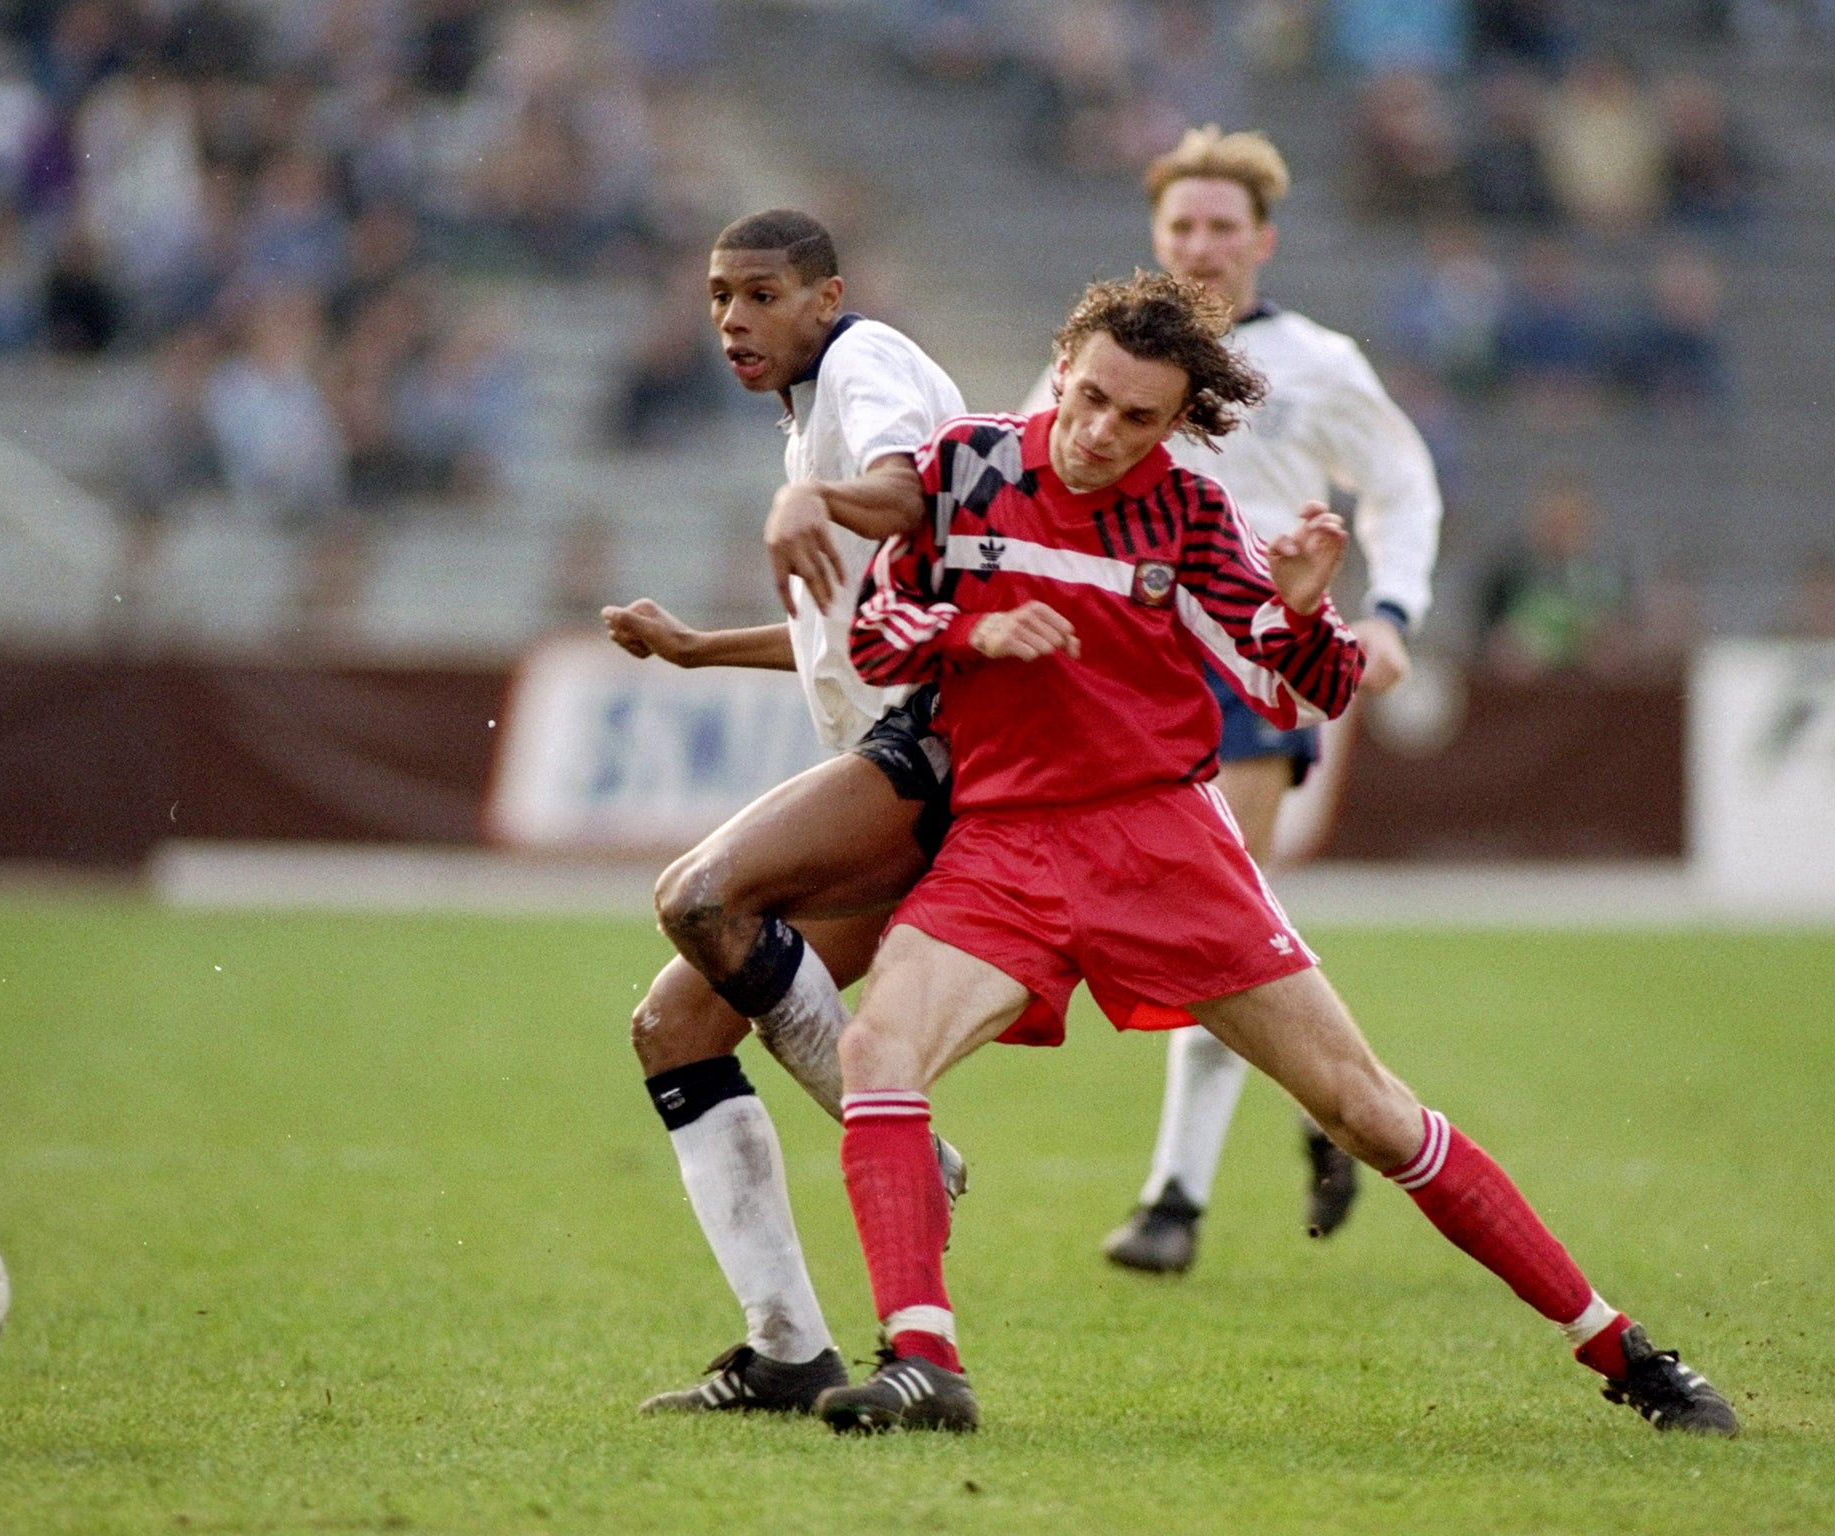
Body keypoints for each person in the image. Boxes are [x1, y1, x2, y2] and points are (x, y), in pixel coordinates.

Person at [813, 270, 1737, 1439]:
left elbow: (1322, 684)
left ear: (1179, 421)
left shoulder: (1189, 515)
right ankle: (921, 1362)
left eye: (1137, 417)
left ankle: (1624, 1351)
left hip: (1159, 843)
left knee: (1366, 1113)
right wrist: (971, 629)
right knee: (878, 1046)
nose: (1101, 432)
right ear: (1062, 365)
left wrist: (1306, 608)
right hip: (1005, 843)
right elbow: (875, 634)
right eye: (1090, 397)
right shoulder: (967, 465)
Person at [1021, 126, 1444, 1274]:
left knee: (1218, 906)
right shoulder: (1109, 359)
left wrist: (1391, 615)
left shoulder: (1315, 360)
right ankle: (1327, 1099)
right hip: (1121, 656)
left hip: (1248, 656)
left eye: (1220, 227)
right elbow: (1020, 472)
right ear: (1155, 238)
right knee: (1197, 915)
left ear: (1260, 239)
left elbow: (1401, 481)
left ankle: (1172, 1202)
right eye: (1180, 228)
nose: (1201, 245)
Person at [597, 209, 968, 1414]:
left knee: (700, 897)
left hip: (944, 735)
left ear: (825, 296)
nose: (732, 320)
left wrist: (807, 506)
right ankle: (788, 1350)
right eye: (717, 298)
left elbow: (907, 489)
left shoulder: (861, 365)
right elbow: (843, 621)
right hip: (893, 737)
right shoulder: (807, 408)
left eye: (758, 295)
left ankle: (904, 1138)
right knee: (675, 1029)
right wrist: (703, 650)